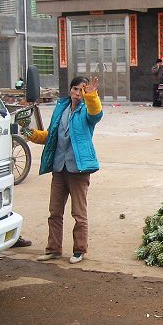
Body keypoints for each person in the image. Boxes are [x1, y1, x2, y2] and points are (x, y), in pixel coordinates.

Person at [25, 76, 103, 263]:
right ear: (70, 90)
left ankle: (79, 250)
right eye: (75, 89)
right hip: (59, 168)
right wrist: (31, 134)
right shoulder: (61, 109)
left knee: (78, 213)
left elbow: (96, 115)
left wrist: (92, 97)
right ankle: (53, 249)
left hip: (78, 169)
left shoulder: (87, 110)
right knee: (54, 212)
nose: (78, 93)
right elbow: (51, 135)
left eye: (82, 90)